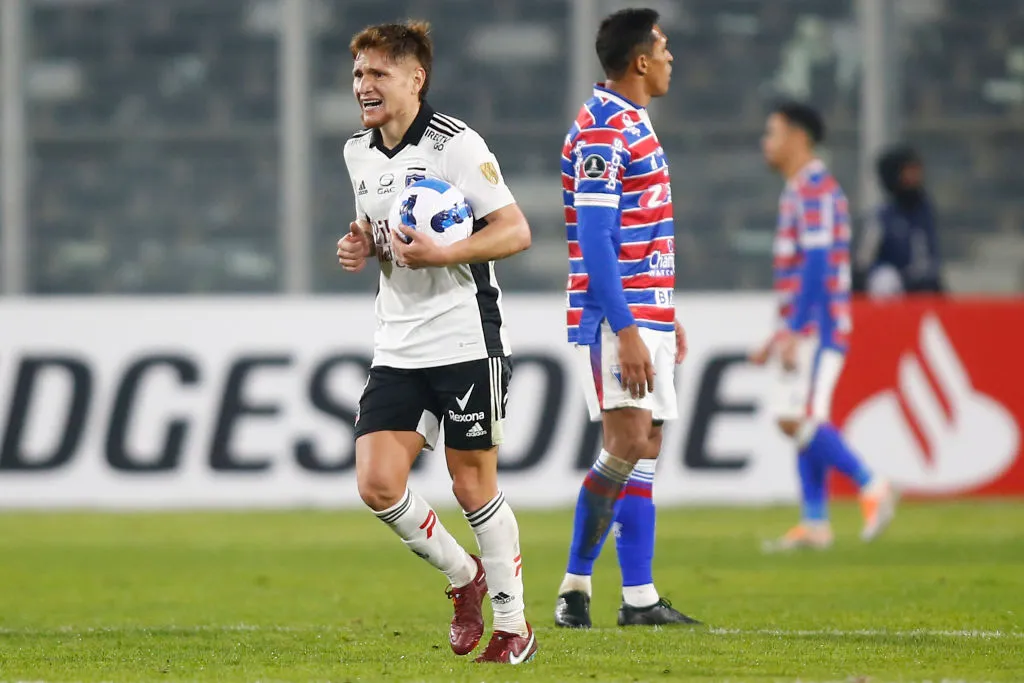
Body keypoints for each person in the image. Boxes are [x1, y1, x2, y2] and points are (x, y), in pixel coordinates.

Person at [336, 20, 537, 664]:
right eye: (360, 74)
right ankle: (465, 578)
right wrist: (361, 244)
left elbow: (514, 231)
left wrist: (449, 250)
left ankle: (514, 628)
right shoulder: (357, 152)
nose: (364, 86)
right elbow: (378, 229)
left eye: (379, 74)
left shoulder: (457, 145)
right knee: (377, 483)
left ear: (415, 79)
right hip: (397, 343)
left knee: (471, 483)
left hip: (463, 336)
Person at [553, 8, 699, 629]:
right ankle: (573, 586)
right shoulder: (604, 129)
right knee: (628, 443)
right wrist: (630, 327)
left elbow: (641, 232)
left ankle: (636, 597)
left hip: (647, 309)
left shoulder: (631, 121)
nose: (670, 59)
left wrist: (665, 313)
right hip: (620, 319)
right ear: (640, 60)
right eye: (663, 49)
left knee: (648, 446)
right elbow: (595, 237)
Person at [753, 101, 898, 552]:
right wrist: (780, 333)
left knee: (796, 417)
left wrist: (795, 330)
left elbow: (818, 264)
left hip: (818, 326)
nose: (767, 143)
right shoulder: (801, 189)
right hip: (806, 324)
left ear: (798, 137)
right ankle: (815, 522)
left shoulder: (814, 188)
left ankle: (871, 484)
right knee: (802, 418)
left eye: (773, 133)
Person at [855, 144, 944, 298]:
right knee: (885, 279)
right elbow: (863, 264)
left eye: (917, 171)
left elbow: (929, 259)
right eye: (909, 172)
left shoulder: (925, 213)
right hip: (893, 292)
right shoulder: (881, 218)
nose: (916, 177)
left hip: (923, 287)